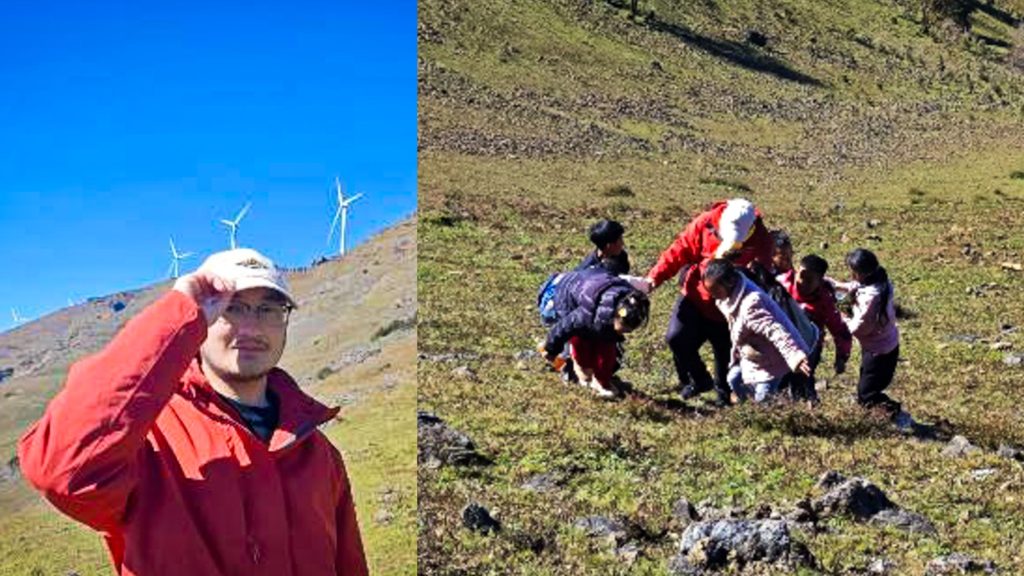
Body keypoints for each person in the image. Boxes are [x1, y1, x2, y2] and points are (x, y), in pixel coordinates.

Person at [18, 248, 368, 575]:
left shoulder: (319, 453)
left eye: (269, 309)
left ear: (285, 321)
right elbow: (62, 471)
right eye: (233, 307)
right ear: (201, 319)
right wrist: (179, 311)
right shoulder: (144, 442)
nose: (252, 327)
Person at [639, 198, 774, 405]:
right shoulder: (705, 223)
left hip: (729, 310)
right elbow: (679, 251)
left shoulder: (760, 238)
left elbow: (763, 274)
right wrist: (653, 279)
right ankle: (697, 380)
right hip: (696, 297)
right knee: (677, 339)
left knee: (725, 358)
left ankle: (723, 398)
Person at [704, 259, 811, 403]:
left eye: (715, 291)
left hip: (773, 357)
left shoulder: (750, 304)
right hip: (754, 352)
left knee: (763, 398)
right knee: (733, 379)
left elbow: (775, 330)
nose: (712, 295)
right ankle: (750, 409)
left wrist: (794, 356)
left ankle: (767, 418)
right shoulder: (729, 297)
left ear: (729, 283)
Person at [540, 268, 649, 399]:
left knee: (606, 345)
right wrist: (551, 349)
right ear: (616, 315)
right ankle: (575, 371)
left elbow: (608, 343)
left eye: (629, 330)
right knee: (582, 342)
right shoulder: (586, 314)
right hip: (561, 295)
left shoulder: (631, 300)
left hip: (591, 289)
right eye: (623, 327)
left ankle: (601, 381)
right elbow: (565, 326)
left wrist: (603, 378)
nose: (625, 332)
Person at [842, 248, 911, 428]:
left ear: (859, 273)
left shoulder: (870, 298)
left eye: (852, 272)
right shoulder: (881, 281)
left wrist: (842, 319)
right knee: (867, 386)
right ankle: (876, 414)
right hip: (886, 345)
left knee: (866, 394)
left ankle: (895, 412)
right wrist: (833, 284)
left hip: (878, 351)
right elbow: (855, 287)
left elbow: (859, 327)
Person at [777, 254, 853, 404]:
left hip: (809, 347)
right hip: (782, 343)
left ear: (820, 281)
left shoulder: (825, 301)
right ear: (796, 270)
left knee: (802, 381)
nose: (802, 282)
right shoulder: (781, 284)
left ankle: (809, 408)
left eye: (810, 279)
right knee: (781, 381)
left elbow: (839, 329)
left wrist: (841, 357)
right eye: (801, 275)